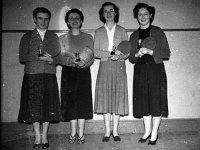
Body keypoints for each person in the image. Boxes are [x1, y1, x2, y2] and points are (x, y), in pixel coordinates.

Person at [18, 7, 61, 149]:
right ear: (35, 19)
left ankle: (44, 136)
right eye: (40, 18)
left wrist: (51, 60)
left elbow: (57, 58)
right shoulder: (27, 36)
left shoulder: (53, 36)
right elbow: (23, 57)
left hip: (49, 75)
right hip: (32, 75)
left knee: (48, 107)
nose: (43, 21)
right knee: (34, 108)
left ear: (49, 20)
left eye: (46, 19)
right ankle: (37, 137)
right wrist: (40, 57)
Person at [129, 3, 171, 145]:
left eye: (145, 14)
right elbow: (131, 59)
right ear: (136, 16)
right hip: (140, 71)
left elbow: (166, 53)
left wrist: (150, 52)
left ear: (151, 15)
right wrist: (136, 54)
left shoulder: (158, 31)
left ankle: (154, 133)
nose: (142, 17)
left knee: (155, 101)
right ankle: (146, 131)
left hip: (155, 69)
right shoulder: (134, 35)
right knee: (144, 102)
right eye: (140, 14)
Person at [94, 2, 129, 142]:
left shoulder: (122, 30)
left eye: (111, 10)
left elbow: (127, 51)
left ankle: (115, 131)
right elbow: (96, 52)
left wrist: (120, 56)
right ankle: (107, 131)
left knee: (117, 98)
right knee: (106, 98)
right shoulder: (98, 31)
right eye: (106, 11)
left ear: (116, 13)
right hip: (104, 66)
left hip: (119, 66)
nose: (109, 13)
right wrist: (109, 54)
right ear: (102, 14)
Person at [59, 8, 94, 144]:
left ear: (81, 21)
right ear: (67, 21)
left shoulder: (88, 37)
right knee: (70, 104)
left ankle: (81, 134)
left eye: (77, 18)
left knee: (82, 104)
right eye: (71, 18)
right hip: (68, 73)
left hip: (83, 73)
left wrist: (83, 64)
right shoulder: (62, 38)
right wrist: (70, 61)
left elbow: (91, 58)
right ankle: (72, 132)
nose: (74, 20)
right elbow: (59, 58)